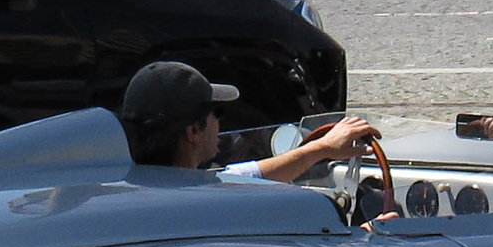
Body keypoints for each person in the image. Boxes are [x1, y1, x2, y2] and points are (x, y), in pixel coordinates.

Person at [118, 60, 379, 179]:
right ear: (194, 131)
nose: (220, 124)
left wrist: (321, 148)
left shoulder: (126, 186)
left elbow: (251, 174)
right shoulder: (208, 199)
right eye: (217, 113)